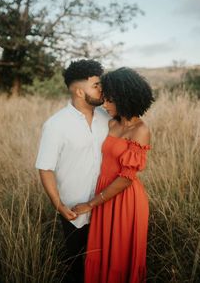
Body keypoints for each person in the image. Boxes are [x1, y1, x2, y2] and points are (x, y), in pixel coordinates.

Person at [72, 67, 154, 283]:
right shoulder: (111, 122)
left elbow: (127, 178)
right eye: (105, 99)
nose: (105, 105)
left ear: (126, 98)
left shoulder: (141, 130)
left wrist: (91, 203)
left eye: (111, 100)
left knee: (119, 257)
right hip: (104, 194)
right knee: (100, 253)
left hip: (125, 199)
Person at [35, 59, 110, 283]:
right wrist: (59, 206)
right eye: (96, 85)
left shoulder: (107, 118)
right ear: (79, 91)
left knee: (104, 263)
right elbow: (45, 168)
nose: (101, 89)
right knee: (76, 266)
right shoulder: (56, 125)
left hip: (105, 204)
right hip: (74, 210)